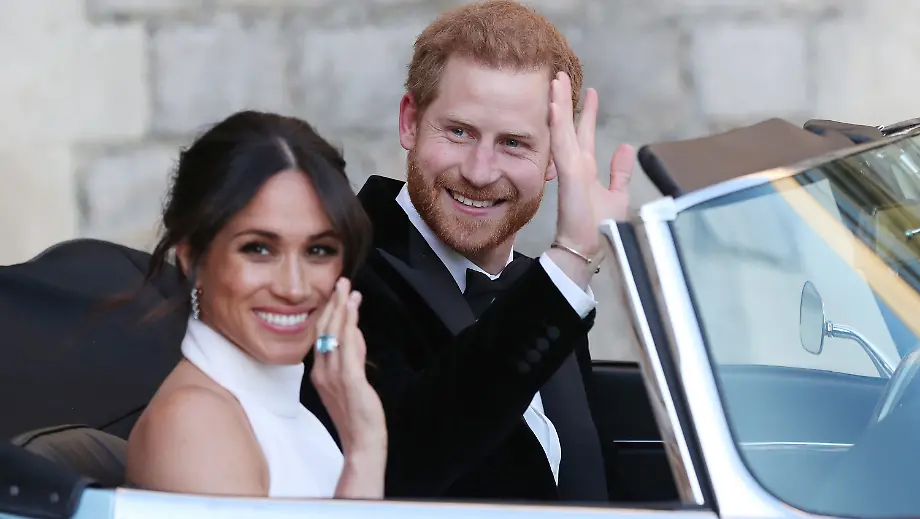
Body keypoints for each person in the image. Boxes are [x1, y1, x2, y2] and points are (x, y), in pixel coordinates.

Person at [300, 0, 635, 503]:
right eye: (459, 132)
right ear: (410, 122)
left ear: (554, 158)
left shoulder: (542, 288)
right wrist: (570, 262)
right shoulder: (337, 270)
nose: (479, 172)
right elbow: (399, 469)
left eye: (514, 143)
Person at [124, 110, 388, 499]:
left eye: (318, 250)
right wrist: (365, 451)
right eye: (259, 249)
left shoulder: (287, 412)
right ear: (191, 257)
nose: (294, 288)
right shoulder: (196, 422)